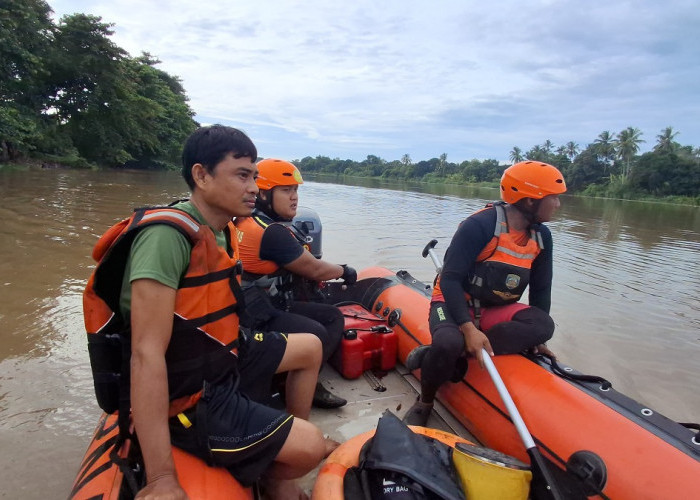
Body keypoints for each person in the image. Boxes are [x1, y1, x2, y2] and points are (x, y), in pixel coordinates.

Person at [84, 125, 333, 499]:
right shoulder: (166, 239)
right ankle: (283, 462)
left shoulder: (222, 230)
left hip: (219, 355)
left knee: (311, 347)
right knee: (313, 446)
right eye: (242, 175)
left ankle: (278, 468)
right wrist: (160, 478)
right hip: (189, 392)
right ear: (201, 175)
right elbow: (145, 353)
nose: (253, 187)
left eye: (255, 175)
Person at [403, 161, 566, 427]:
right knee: (448, 343)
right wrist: (467, 328)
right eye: (553, 198)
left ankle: (444, 358)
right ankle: (425, 401)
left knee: (543, 325)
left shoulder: (542, 236)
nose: (558, 204)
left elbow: (541, 288)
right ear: (529, 201)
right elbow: (451, 279)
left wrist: (538, 339)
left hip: (494, 307)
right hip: (454, 300)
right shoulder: (479, 226)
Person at [235, 158, 357, 409]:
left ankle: (300, 379)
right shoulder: (272, 232)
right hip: (258, 312)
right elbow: (314, 268)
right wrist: (344, 271)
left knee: (331, 315)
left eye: (296, 190)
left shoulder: (245, 219)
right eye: (285, 190)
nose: (294, 197)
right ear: (265, 194)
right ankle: (295, 384)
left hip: (253, 305)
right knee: (319, 331)